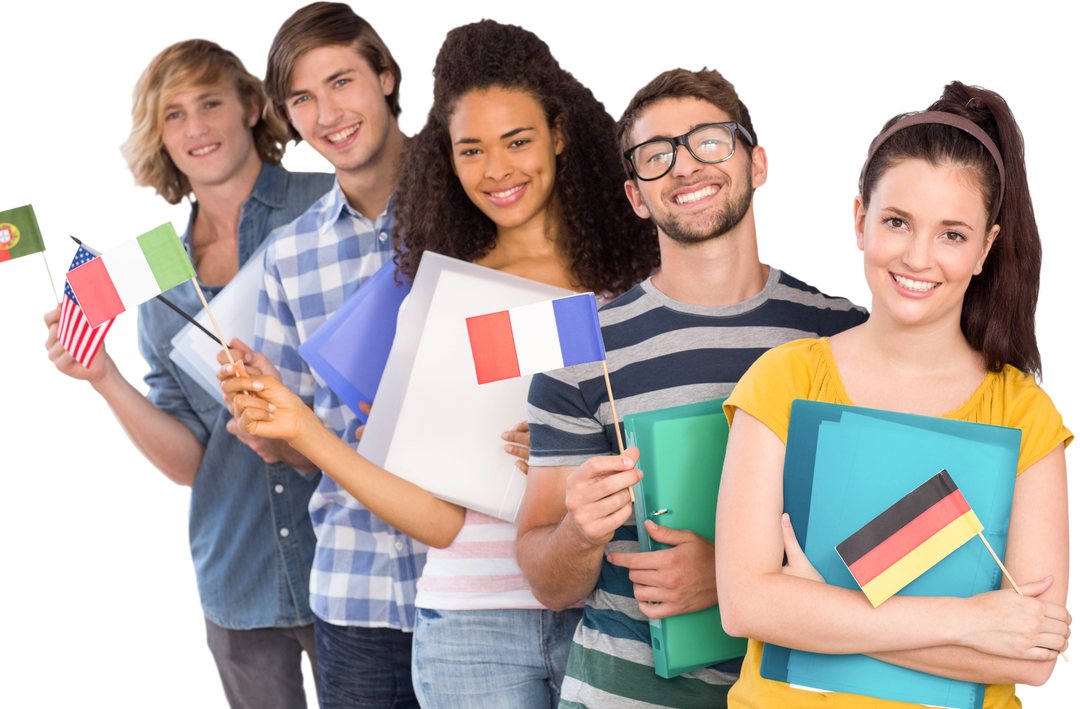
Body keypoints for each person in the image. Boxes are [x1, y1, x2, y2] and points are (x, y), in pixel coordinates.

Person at [221, 17, 660, 708]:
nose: (498, 171)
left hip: (614, 612)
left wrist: (572, 451)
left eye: (517, 141)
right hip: (472, 623)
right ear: (448, 161)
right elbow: (439, 519)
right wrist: (304, 431)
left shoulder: (633, 278)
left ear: (560, 133)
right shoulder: (443, 291)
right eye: (472, 150)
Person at [515, 65, 870, 709]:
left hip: (808, 692)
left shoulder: (849, 331)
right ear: (635, 196)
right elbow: (548, 581)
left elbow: (893, 538)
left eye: (709, 141)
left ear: (758, 164)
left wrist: (736, 578)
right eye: (657, 156)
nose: (684, 166)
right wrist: (580, 532)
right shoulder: (575, 345)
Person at [714, 79, 1074, 709]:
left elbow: (1033, 660)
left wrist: (815, 607)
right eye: (897, 222)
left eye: (952, 234)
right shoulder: (782, 382)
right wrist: (970, 622)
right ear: (859, 220)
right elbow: (746, 605)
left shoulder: (1027, 416)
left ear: (987, 248)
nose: (918, 257)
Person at [40, 36, 334, 709]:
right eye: (174, 114)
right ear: (159, 137)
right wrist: (104, 377)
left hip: (354, 558)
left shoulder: (330, 206)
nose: (196, 127)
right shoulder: (155, 275)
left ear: (252, 106)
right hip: (238, 573)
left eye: (210, 103)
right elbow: (193, 462)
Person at [216, 3, 422, 707]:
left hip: (485, 583)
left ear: (388, 77)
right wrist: (271, 419)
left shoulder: (480, 201)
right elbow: (304, 449)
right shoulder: (290, 256)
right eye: (302, 98)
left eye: (342, 82)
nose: (327, 113)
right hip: (356, 592)